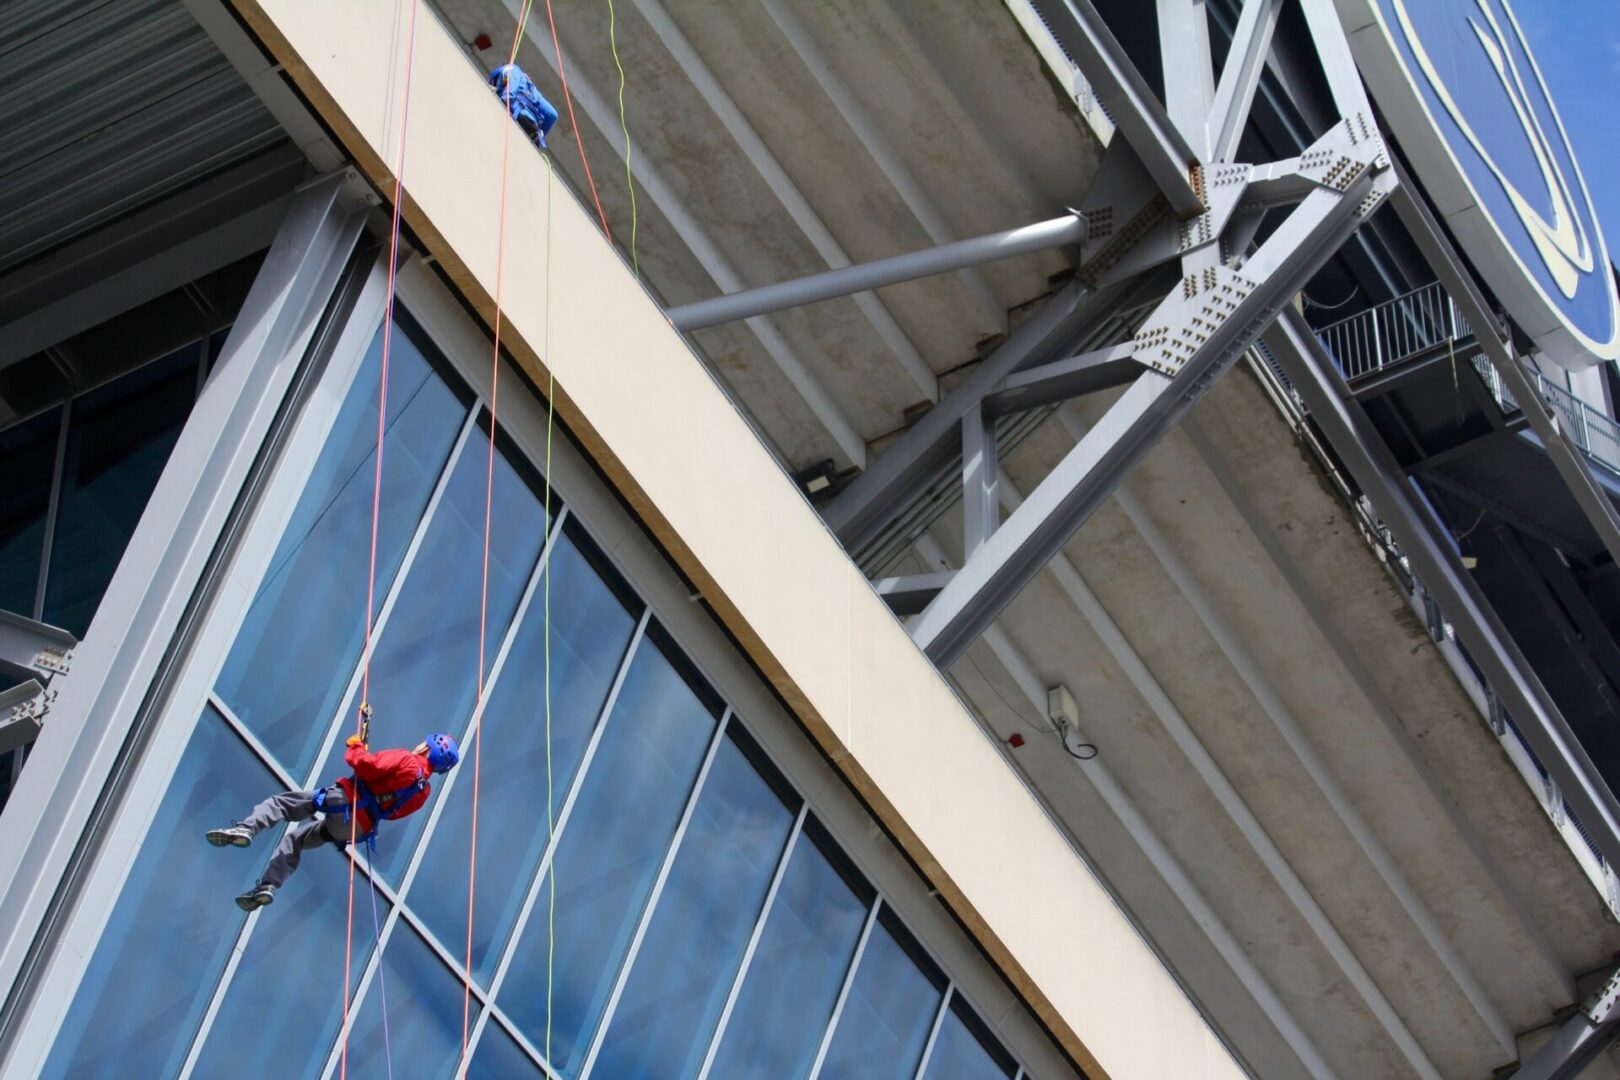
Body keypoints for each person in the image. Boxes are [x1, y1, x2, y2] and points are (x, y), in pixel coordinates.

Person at [206, 706, 460, 911]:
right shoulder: (423, 792)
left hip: (344, 803)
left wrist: (356, 746)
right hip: (355, 830)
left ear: (427, 748)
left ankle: (246, 829)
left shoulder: (407, 759)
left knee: (281, 804)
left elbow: (364, 766)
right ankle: (268, 885)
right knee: (297, 839)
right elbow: (392, 812)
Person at [489, 62, 558, 149]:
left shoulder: (512, 68)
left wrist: (504, 100)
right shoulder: (534, 91)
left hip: (516, 113)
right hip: (531, 127)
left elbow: (510, 91)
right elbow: (552, 115)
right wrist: (537, 139)